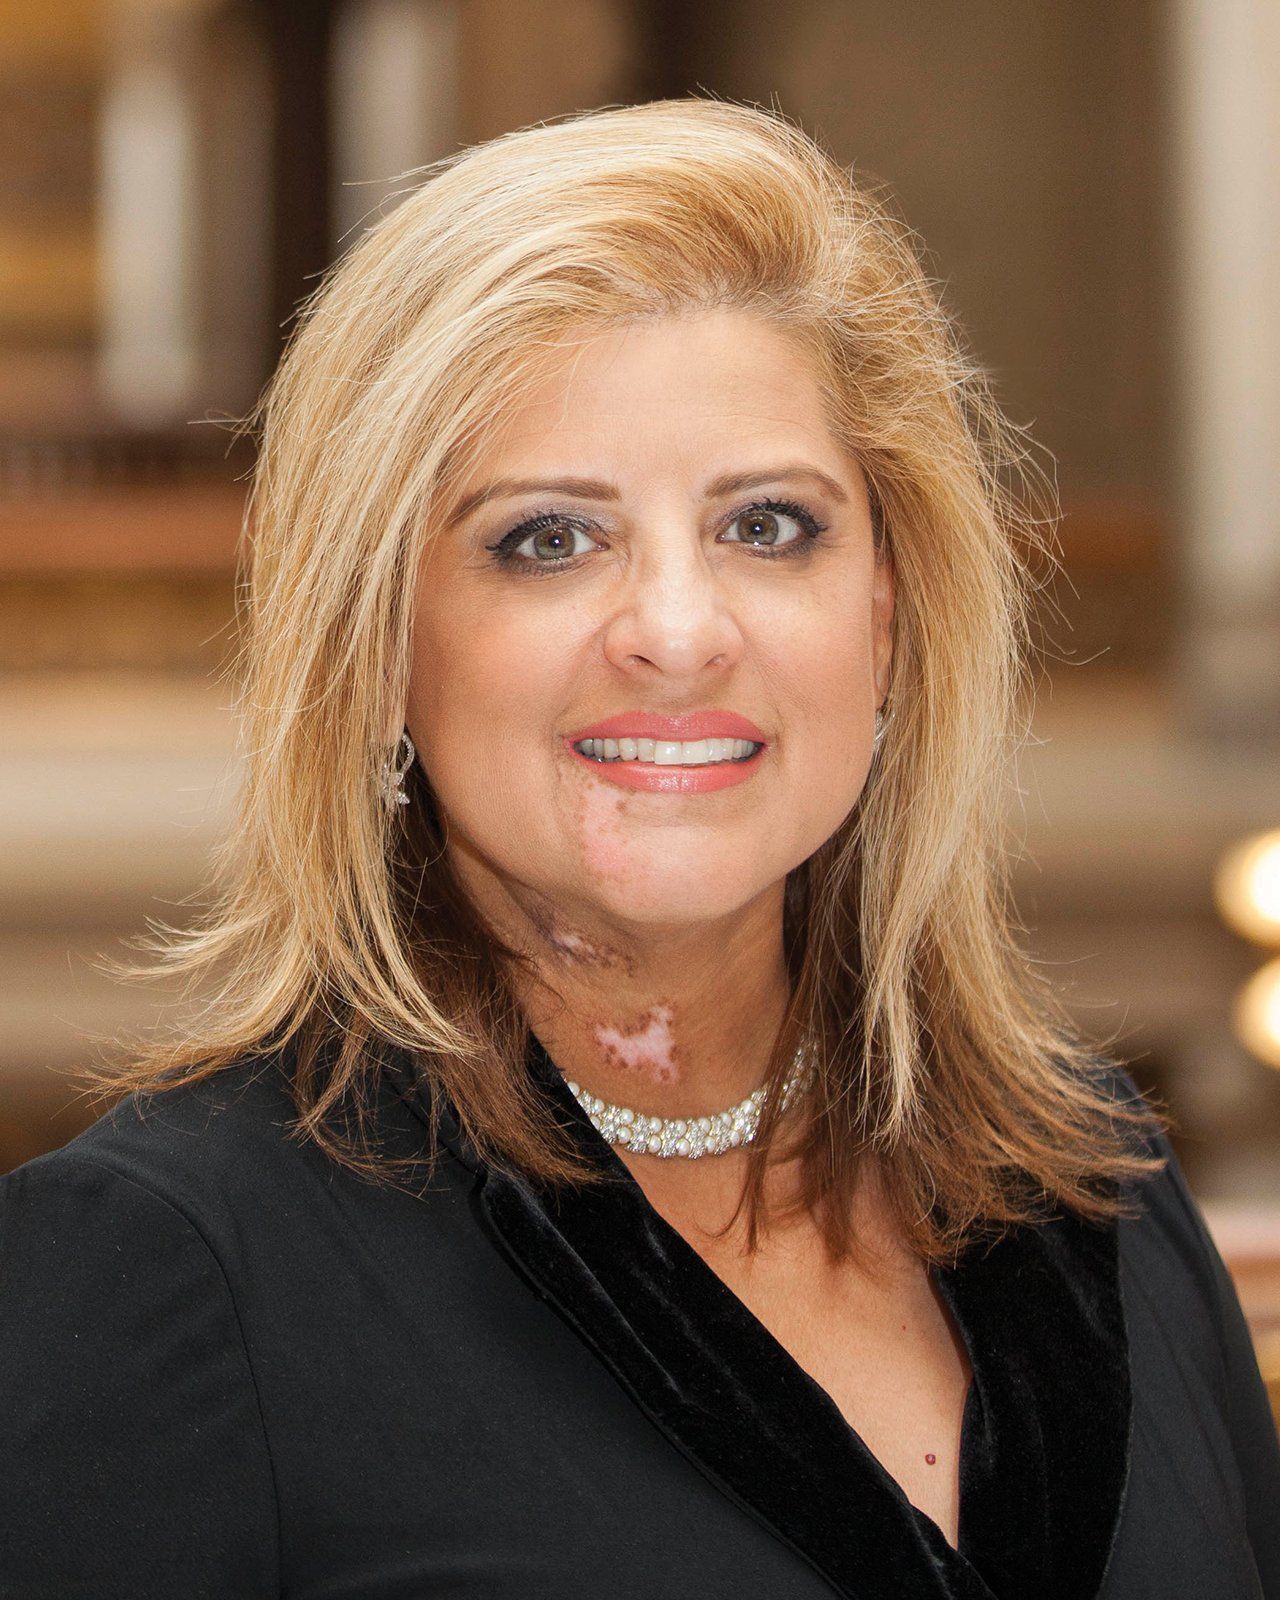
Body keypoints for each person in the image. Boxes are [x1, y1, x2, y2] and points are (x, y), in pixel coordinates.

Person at [1, 98, 1277, 1600]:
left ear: (882, 617)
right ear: (380, 649)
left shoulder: (1096, 1188)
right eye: (549, 538)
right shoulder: (164, 1269)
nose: (678, 631)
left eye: (770, 527)